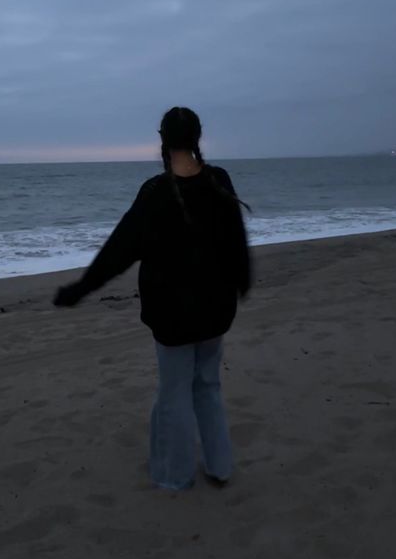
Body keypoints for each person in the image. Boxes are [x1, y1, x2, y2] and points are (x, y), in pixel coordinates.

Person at [53, 107, 251, 491]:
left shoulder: (155, 192)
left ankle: (174, 474)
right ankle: (220, 467)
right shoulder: (218, 181)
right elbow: (236, 242)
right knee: (207, 385)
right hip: (216, 310)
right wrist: (242, 282)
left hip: (173, 316)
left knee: (175, 392)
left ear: (163, 140)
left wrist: (81, 288)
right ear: (197, 136)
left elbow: (118, 251)